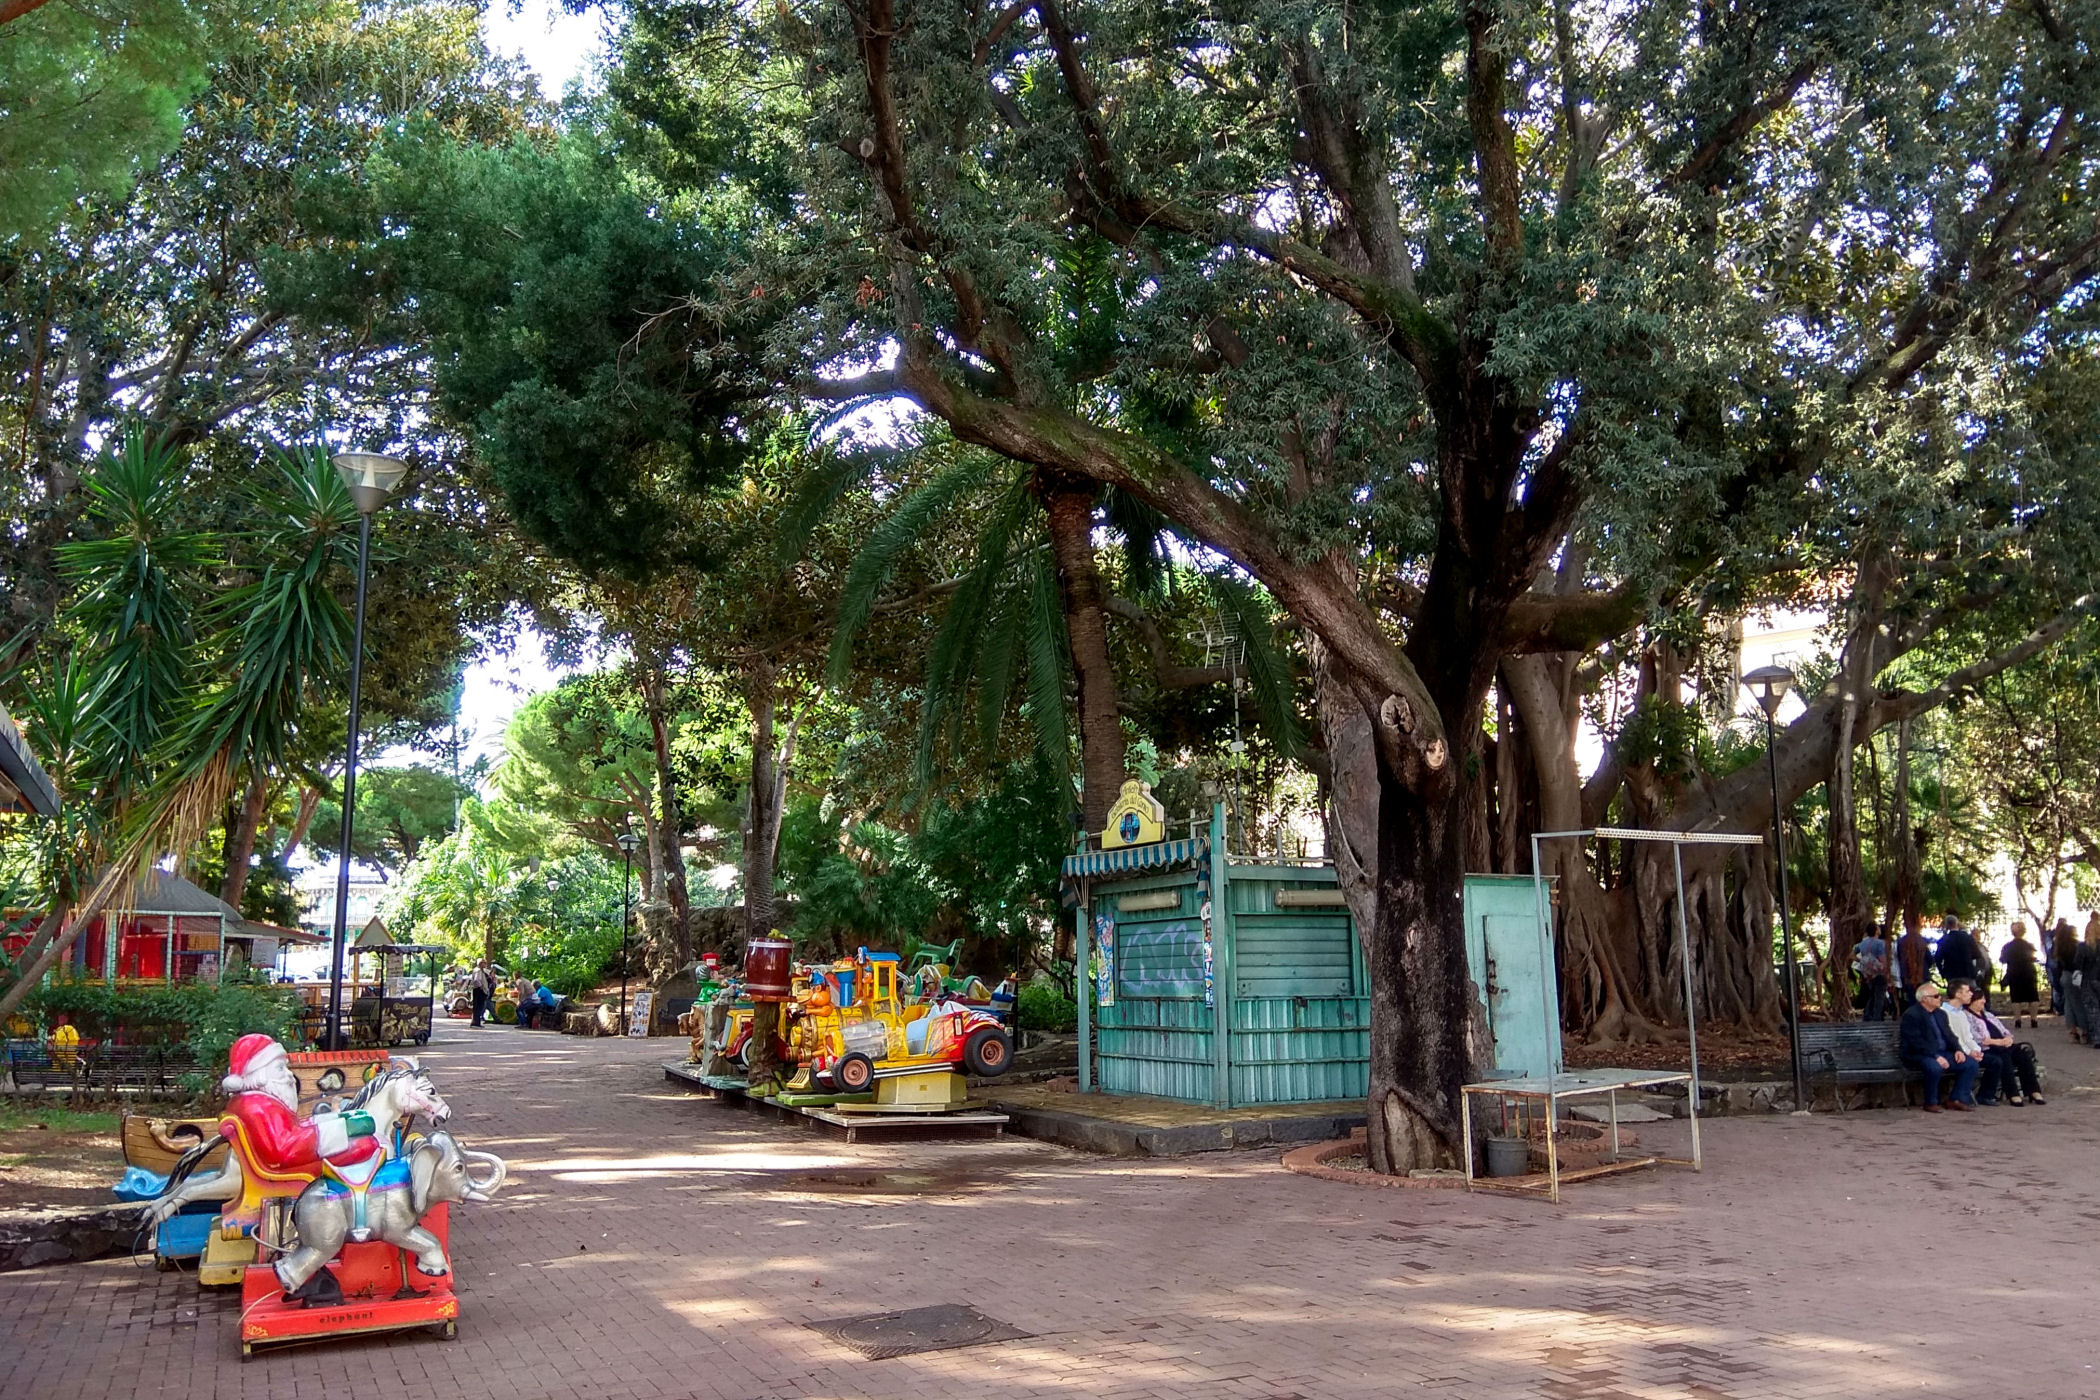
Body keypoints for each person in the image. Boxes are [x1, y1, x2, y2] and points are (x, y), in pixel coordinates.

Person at [1899, 984, 1978, 1112]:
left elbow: (1950, 1035)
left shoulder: (1940, 1013)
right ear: (1925, 999)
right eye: (1936, 996)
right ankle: (1931, 1102)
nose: (1940, 998)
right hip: (1919, 1054)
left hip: (1942, 1052)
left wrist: (1958, 1050)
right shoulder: (1912, 1015)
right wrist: (1935, 1056)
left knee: (1970, 1064)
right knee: (1934, 1067)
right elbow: (1915, 1042)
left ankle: (1957, 1099)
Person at [1969, 990, 2045, 1106]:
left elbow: (2004, 1030)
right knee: (2004, 1057)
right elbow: (1977, 1038)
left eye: (1984, 998)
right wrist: (1998, 1042)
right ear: (1972, 1001)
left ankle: (2033, 1091)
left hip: (2003, 1044)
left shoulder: (1988, 1015)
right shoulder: (1967, 1017)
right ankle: (2013, 1094)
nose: (1984, 1001)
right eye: (1980, 999)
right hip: (1987, 1047)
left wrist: (2008, 1038)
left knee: (2022, 1054)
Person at [1999, 923, 2042, 1027]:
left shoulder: (2007, 946)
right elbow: (2034, 958)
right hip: (2028, 972)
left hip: (2013, 972)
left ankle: (2018, 1020)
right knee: (2033, 996)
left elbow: (2002, 960)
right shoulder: (2029, 945)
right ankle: (2034, 1020)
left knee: (2015, 996)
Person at [1936, 916, 1986, 994]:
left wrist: (1942, 972)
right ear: (1957, 923)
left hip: (1951, 973)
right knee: (1970, 995)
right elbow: (1977, 955)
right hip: (1967, 972)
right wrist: (1975, 969)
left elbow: (1937, 958)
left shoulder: (1944, 940)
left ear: (1946, 925)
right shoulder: (1967, 938)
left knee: (1955, 995)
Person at [1855, 928, 1893, 1021]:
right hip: (1879, 971)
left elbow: (1851, 955)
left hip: (1869, 972)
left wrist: (1863, 961)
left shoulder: (1862, 943)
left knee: (1872, 994)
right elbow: (1882, 958)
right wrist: (1887, 971)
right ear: (1876, 931)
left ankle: (1867, 1015)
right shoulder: (1880, 943)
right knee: (1879, 994)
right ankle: (1877, 1017)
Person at [1896, 920, 1934, 1010]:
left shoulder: (1901, 941)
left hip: (1908, 974)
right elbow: (1929, 958)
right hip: (1922, 974)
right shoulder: (1921, 940)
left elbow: (1899, 958)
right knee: (1925, 998)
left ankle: (1914, 1013)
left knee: (1912, 998)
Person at [469, 958, 494, 1028]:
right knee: (478, 1007)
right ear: (480, 964)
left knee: (478, 1007)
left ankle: (476, 1022)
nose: (485, 964)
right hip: (479, 990)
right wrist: (481, 987)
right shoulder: (478, 971)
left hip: (478, 990)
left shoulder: (480, 970)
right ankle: (475, 1023)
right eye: (484, 963)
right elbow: (476, 980)